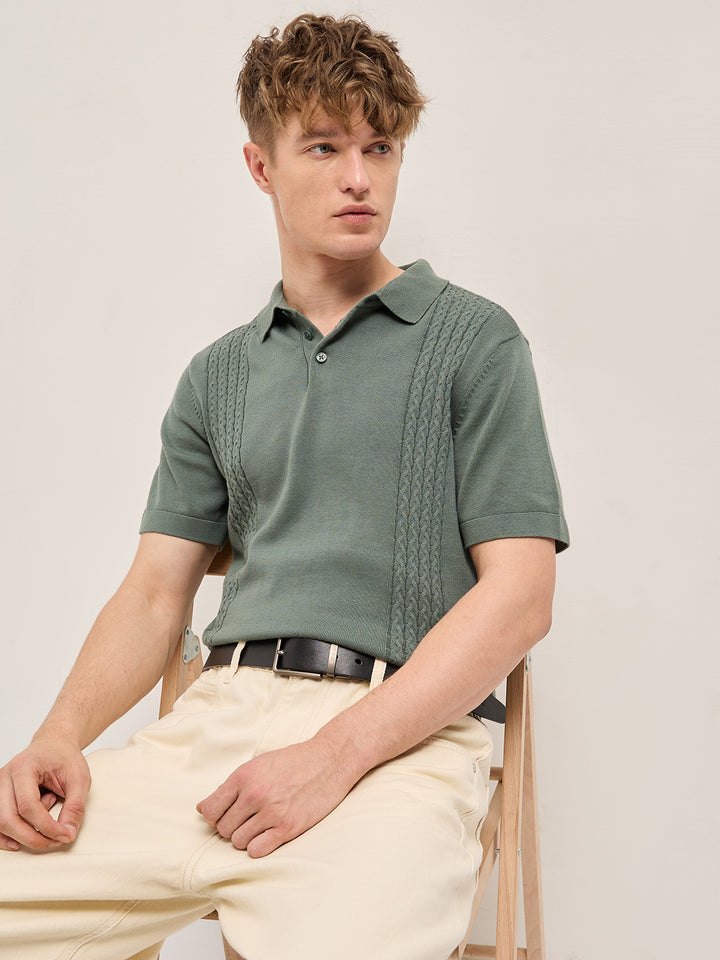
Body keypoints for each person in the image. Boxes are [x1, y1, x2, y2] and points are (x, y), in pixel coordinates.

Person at [0, 12, 569, 960]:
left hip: (399, 741)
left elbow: (521, 597)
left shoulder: (475, 342)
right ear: (261, 166)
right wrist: (59, 734)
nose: (359, 177)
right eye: (324, 146)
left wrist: (333, 756)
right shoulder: (217, 376)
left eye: (380, 147)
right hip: (213, 725)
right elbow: (154, 593)